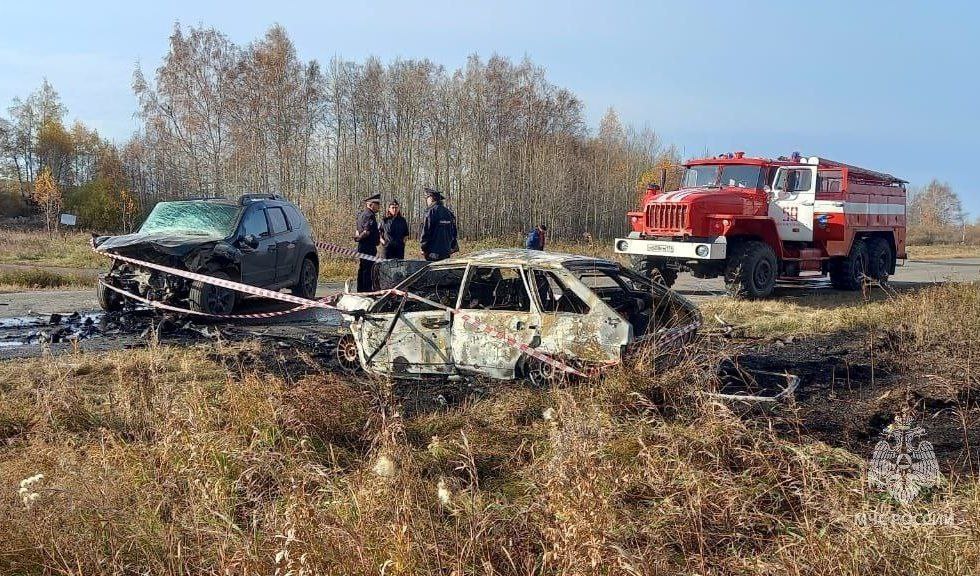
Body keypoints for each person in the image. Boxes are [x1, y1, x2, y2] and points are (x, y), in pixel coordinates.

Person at [419, 187, 458, 261]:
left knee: (432, 271)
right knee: (443, 271)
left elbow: (426, 232)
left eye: (427, 197)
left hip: (432, 252)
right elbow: (454, 232)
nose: (426, 200)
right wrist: (452, 246)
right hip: (446, 251)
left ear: (431, 198)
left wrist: (423, 248)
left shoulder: (430, 212)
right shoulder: (449, 212)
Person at [353, 193, 381, 291]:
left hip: (362, 246)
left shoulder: (361, 215)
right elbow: (366, 231)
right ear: (370, 204)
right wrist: (358, 238)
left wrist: (358, 237)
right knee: (368, 269)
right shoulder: (370, 215)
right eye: (377, 204)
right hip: (368, 247)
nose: (378, 207)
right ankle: (366, 291)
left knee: (362, 268)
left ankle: (360, 290)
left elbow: (357, 230)